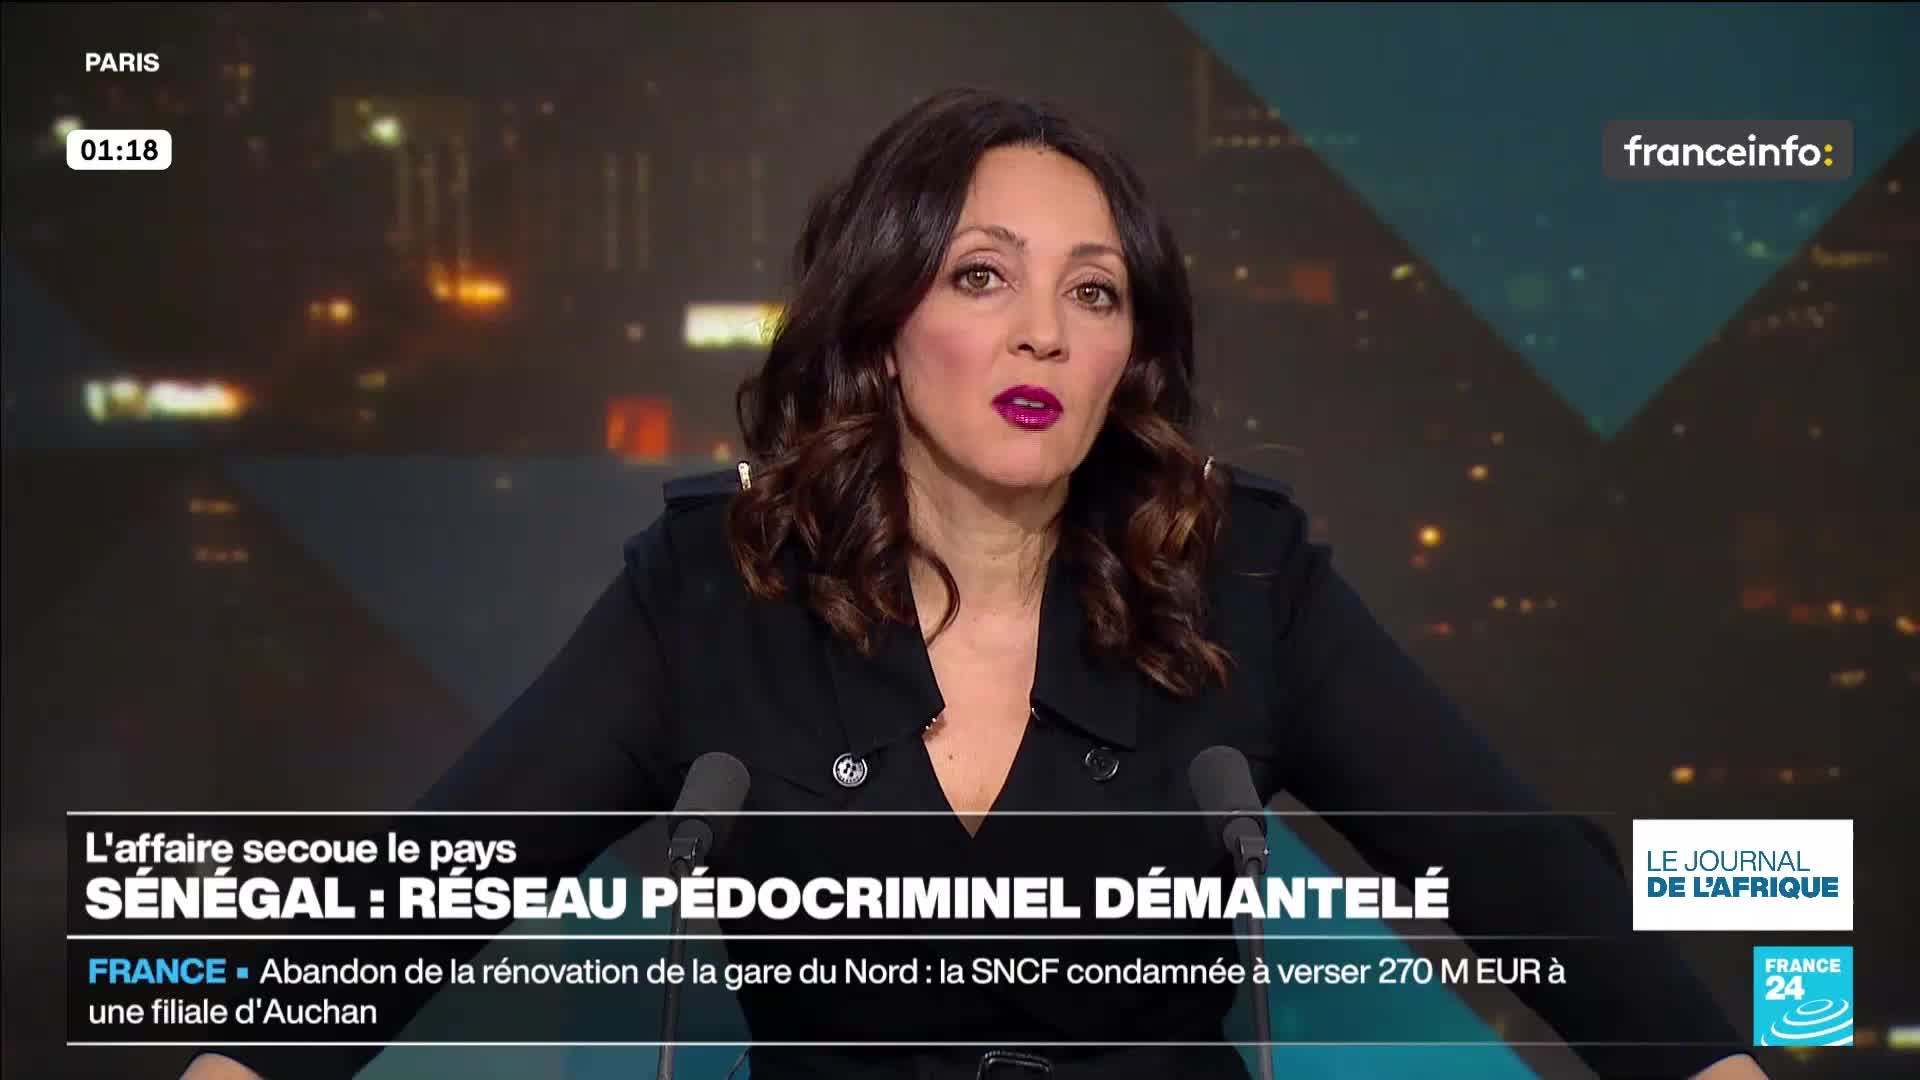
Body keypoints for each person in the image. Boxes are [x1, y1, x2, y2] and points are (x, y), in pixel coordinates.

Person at [182, 88, 1765, 1080]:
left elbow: (1531, 887)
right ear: (884, 325)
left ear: (1131, 353)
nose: (1044, 333)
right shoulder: (716, 590)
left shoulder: (1238, 579)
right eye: (982, 276)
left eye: (1096, 293)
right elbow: (402, 900)